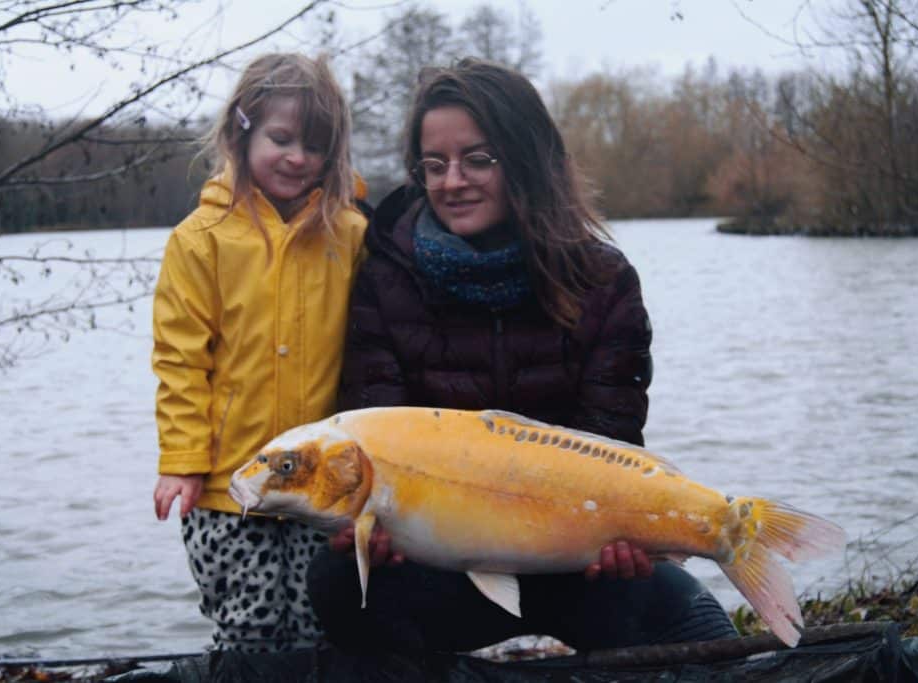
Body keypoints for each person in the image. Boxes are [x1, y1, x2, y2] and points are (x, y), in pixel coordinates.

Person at [306, 58, 737, 655]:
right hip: (440, 566)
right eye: (435, 164)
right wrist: (372, 529)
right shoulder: (386, 280)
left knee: (698, 632)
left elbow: (611, 442)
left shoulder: (603, 281)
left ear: (527, 161)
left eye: (478, 159)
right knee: (336, 583)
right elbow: (377, 425)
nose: (453, 181)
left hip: (573, 562)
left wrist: (623, 540)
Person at [151, 52, 368, 653]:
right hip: (227, 488)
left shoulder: (350, 234)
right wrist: (183, 459)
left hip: (320, 489)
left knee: (318, 627)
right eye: (281, 138)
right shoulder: (199, 241)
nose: (298, 157)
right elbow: (180, 362)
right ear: (240, 133)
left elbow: (374, 349)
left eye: (316, 145)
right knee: (247, 629)